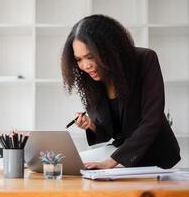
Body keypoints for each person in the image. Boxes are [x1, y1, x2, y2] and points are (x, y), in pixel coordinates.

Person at [61, 14, 180, 169]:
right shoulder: (92, 80)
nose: (85, 65)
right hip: (119, 153)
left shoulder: (144, 59)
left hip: (152, 155)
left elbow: (152, 120)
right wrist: (91, 125)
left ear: (109, 48)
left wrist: (109, 163)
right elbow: (110, 133)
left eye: (90, 56)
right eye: (79, 59)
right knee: (67, 165)